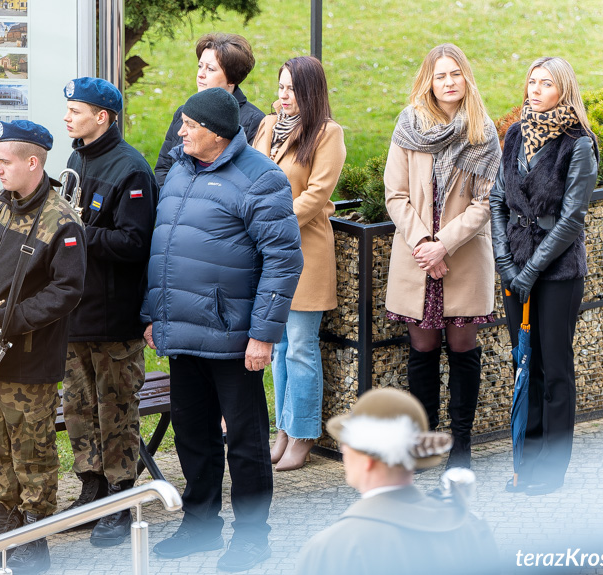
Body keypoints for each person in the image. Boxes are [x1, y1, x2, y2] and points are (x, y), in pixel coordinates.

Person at [142, 88, 303, 572]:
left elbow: (283, 260)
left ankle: (253, 540)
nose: (180, 131)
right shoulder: (179, 170)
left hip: (234, 338)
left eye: (189, 125)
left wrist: (264, 335)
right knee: (192, 434)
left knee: (247, 443)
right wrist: (155, 315)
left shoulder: (261, 178)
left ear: (215, 132)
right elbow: (165, 249)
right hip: (183, 332)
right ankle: (200, 525)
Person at [0, 120, 86, 574]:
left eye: (5, 161)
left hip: (28, 358)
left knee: (31, 452)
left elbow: (66, 291)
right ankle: (4, 533)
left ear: (33, 162)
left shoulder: (63, 220)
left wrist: (5, 319)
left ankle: (33, 544)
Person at [384, 43, 501, 469]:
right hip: (417, 257)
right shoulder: (409, 124)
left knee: (462, 345)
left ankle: (462, 445)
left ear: (466, 77)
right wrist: (424, 246)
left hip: (462, 256)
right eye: (440, 75)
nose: (448, 82)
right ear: (428, 81)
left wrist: (443, 245)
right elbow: (395, 195)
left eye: (455, 74)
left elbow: (487, 203)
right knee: (423, 347)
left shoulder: (482, 131)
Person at [491, 57, 598, 496]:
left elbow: (572, 220)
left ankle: (551, 471)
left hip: (557, 274)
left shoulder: (579, 145)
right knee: (525, 365)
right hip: (515, 271)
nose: (534, 90)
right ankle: (527, 462)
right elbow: (497, 198)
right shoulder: (515, 133)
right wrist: (506, 264)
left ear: (564, 90)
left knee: (554, 369)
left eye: (545, 84)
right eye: (531, 82)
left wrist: (532, 270)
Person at [59, 77, 157, 545]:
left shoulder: (131, 171)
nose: (67, 118)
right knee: (79, 408)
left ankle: (121, 495)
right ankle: (91, 489)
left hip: (114, 317)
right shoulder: (77, 156)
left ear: (103, 117)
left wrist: (78, 234)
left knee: (115, 410)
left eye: (75, 111)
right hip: (76, 312)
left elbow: (136, 245)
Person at [252, 56, 345, 472]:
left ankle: (304, 434)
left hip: (305, 253)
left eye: (291, 89)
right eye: (281, 87)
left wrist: (272, 223)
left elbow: (317, 194)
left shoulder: (328, 133)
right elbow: (250, 176)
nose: (283, 95)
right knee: (279, 349)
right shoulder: (269, 126)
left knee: (301, 347)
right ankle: (283, 430)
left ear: (309, 92)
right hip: (267, 254)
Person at [295, 387, 499, 575]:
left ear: (368, 460)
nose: (343, 449)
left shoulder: (330, 549)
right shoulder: (468, 526)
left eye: (347, 443)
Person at [153, 32, 265, 187]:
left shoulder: (254, 121)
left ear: (232, 78)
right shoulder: (183, 112)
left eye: (210, 69)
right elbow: (163, 167)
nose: (201, 74)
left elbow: (250, 177)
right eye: (200, 66)